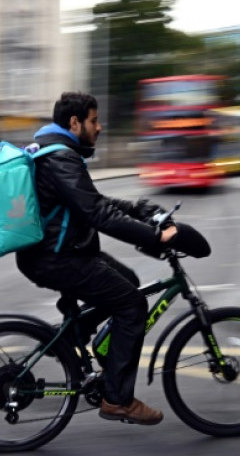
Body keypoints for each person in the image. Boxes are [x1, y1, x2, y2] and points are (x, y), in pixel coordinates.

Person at [16, 92, 177, 426]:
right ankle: (119, 400)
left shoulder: (57, 152)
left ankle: (76, 332)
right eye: (94, 120)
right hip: (55, 258)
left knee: (128, 281)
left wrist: (136, 209)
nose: (100, 127)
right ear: (74, 123)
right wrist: (154, 236)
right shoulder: (60, 157)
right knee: (132, 305)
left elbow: (91, 201)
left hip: (63, 252)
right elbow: (97, 213)